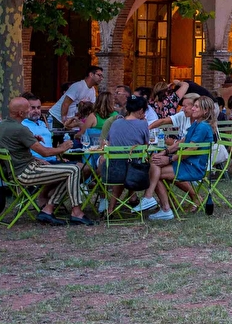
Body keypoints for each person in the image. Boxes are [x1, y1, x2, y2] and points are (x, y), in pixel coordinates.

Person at [0, 96, 94, 225]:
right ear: (21, 113)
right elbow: (45, 152)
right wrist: (62, 148)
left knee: (71, 171)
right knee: (74, 169)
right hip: (26, 172)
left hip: (14, 172)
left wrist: (31, 140)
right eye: (28, 108)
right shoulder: (20, 129)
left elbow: (13, 147)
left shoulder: (3, 125)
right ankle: (76, 212)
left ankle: (48, 209)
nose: (30, 110)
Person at [135, 95, 217, 220]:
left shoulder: (202, 127)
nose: (193, 109)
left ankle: (160, 205)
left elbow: (190, 150)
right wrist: (164, 152)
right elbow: (181, 142)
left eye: (196, 107)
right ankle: (158, 203)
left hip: (193, 167)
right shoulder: (197, 124)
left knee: (154, 172)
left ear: (205, 111)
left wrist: (169, 159)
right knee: (155, 165)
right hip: (187, 164)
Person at [101, 95, 152, 214]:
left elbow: (109, 143)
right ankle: (140, 198)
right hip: (135, 172)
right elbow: (145, 146)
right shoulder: (143, 124)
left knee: (123, 162)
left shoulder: (115, 123)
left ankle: (111, 208)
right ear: (141, 110)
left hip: (112, 170)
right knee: (150, 163)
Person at [21, 94, 57, 163]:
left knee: (78, 165)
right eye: (33, 108)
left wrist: (59, 158)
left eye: (38, 107)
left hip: (53, 160)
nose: (36, 111)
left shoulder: (42, 123)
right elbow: (21, 152)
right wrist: (38, 160)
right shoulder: (22, 125)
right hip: (38, 164)